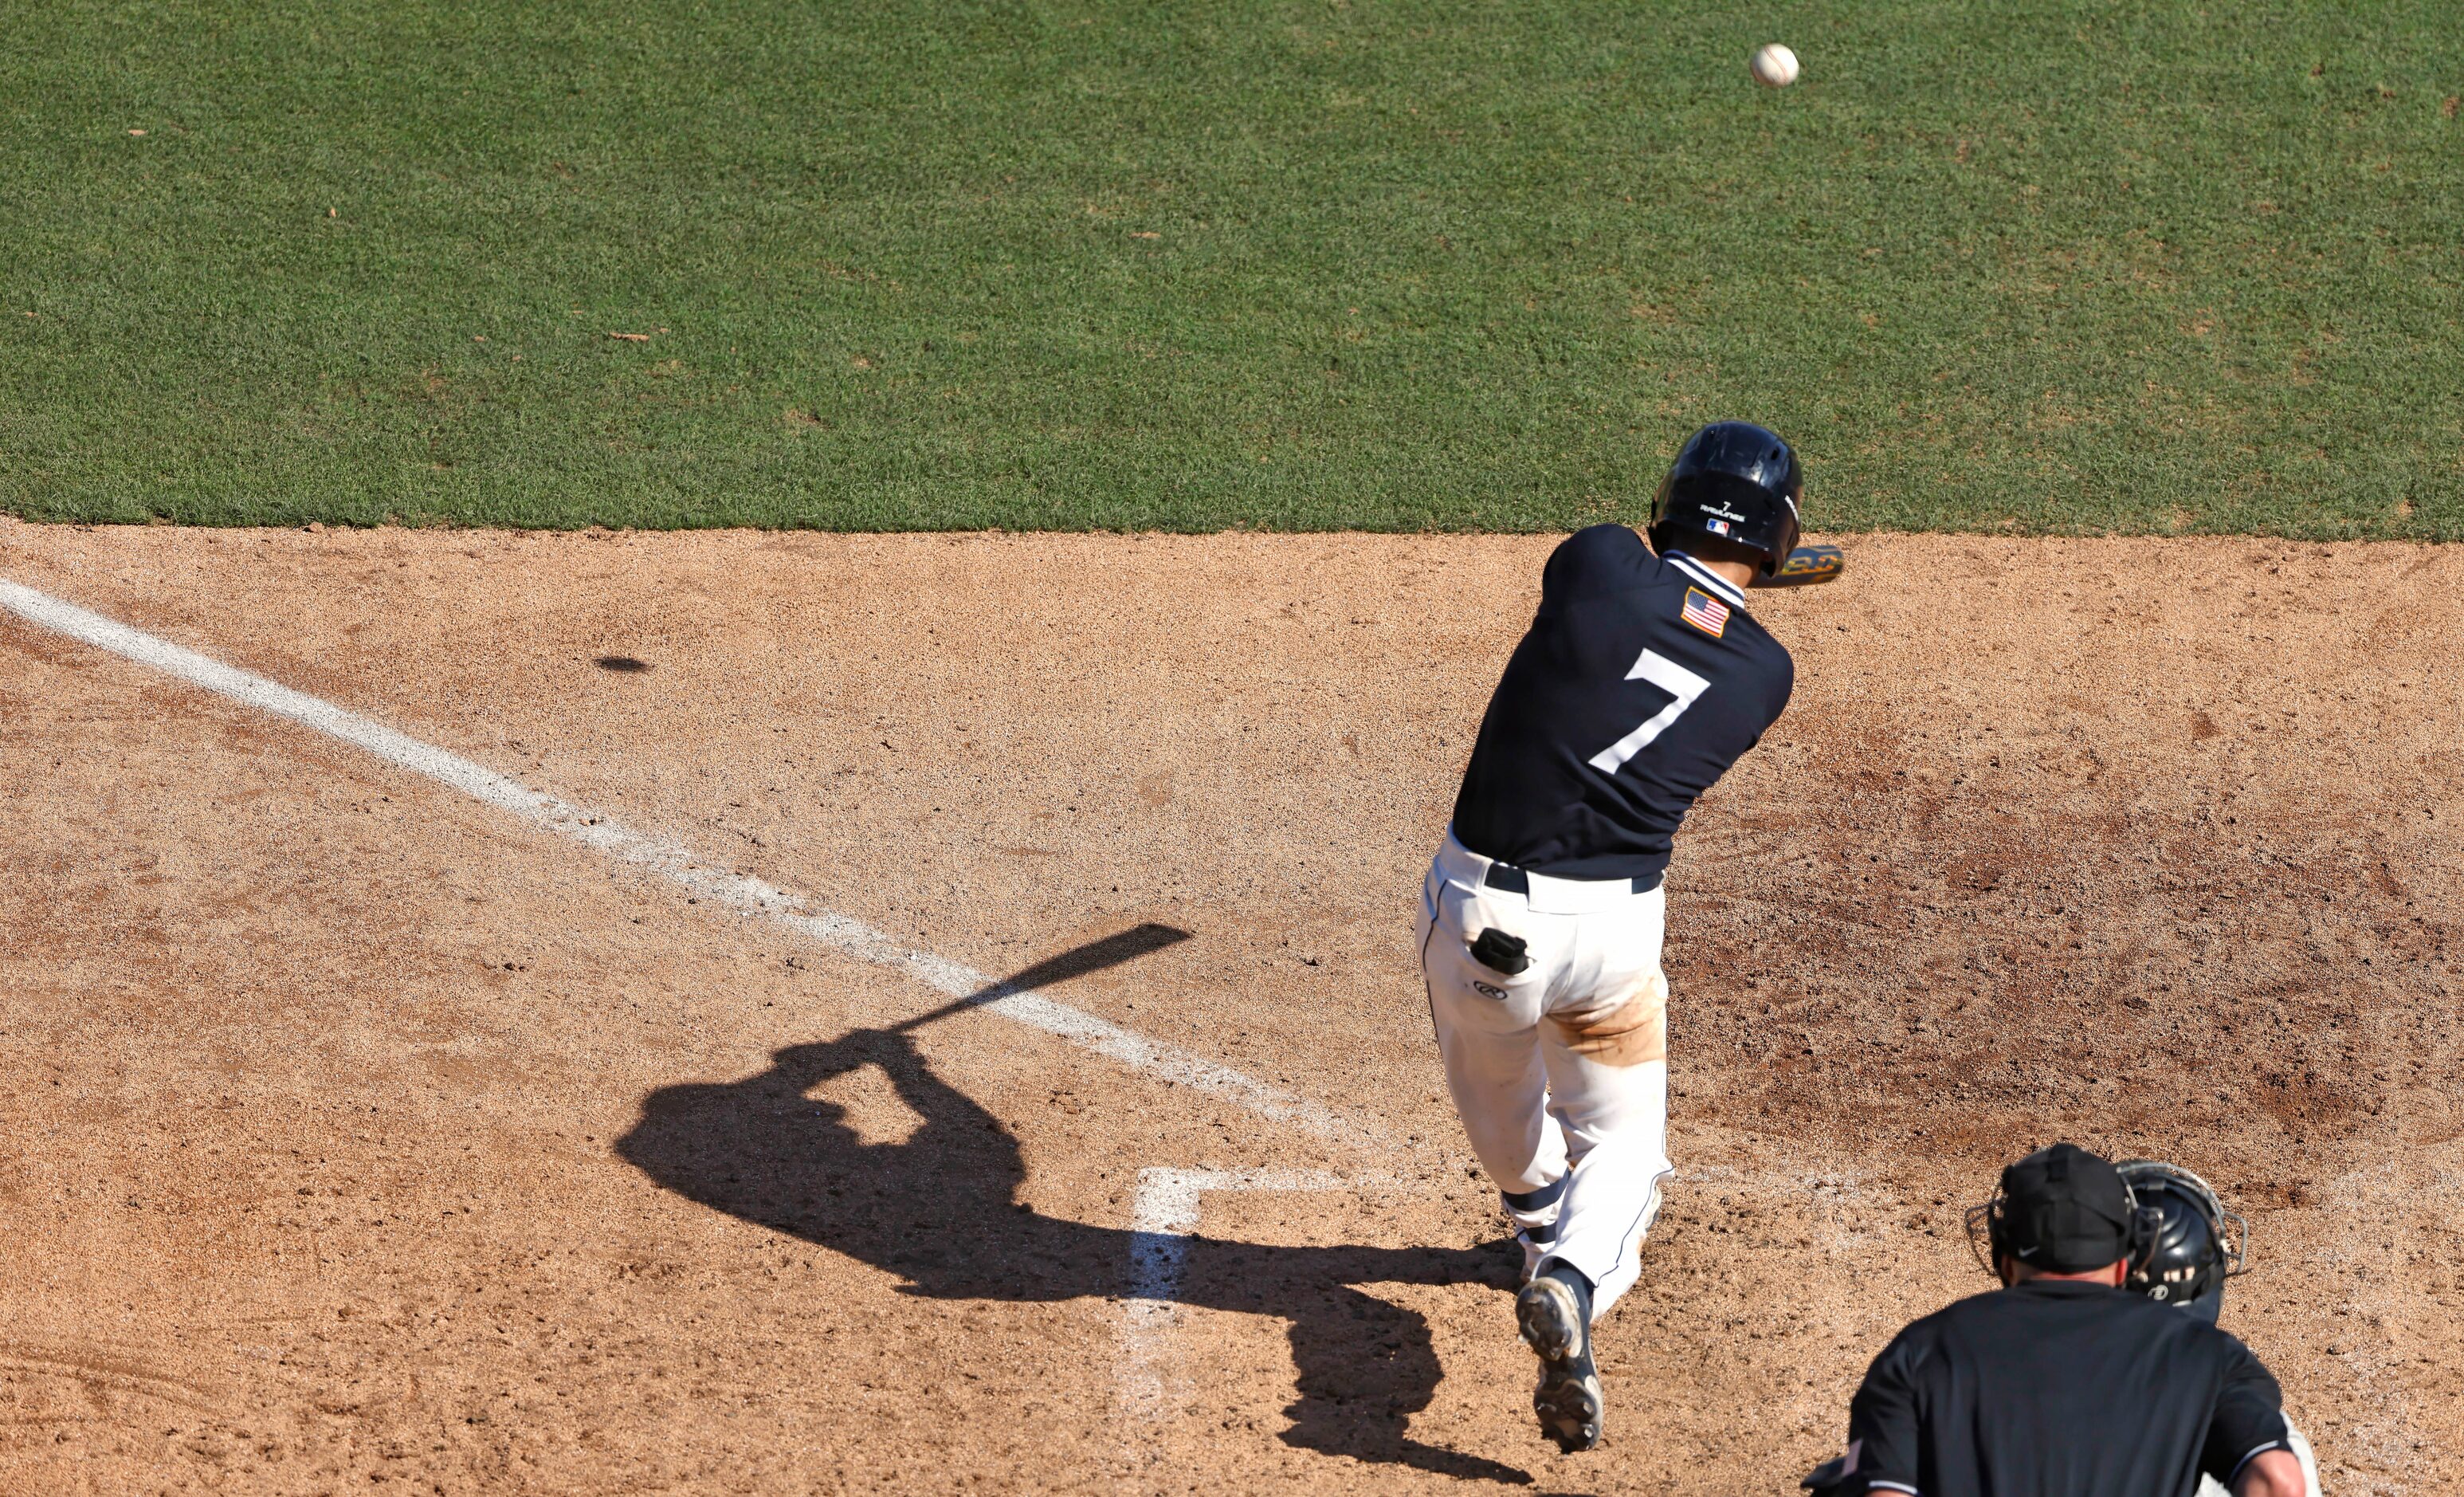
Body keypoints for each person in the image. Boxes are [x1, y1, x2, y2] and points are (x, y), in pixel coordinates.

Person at [1417, 420, 1805, 1452]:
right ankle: (1576, 1274)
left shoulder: (1595, 567)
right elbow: (1697, 631)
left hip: (1484, 924)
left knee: (1500, 1096)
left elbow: (1633, 583)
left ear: (1674, 501)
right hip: (1615, 934)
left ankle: (1538, 1220)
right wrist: (1737, 590)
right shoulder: (1765, 676)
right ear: (1774, 543)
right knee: (1626, 1140)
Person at [1805, 1143, 2309, 1497]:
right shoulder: (2209, 1358)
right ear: (2122, 1264)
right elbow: (2278, 1482)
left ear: (2003, 1258)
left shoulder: (1918, 1353)